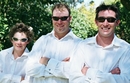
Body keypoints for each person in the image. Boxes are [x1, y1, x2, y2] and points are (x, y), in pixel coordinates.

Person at [69, 3, 130, 83]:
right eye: (101, 19)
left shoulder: (126, 49)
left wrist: (89, 72)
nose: (105, 23)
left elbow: (126, 80)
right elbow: (74, 79)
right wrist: (109, 75)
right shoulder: (82, 46)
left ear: (117, 23)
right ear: (96, 22)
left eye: (110, 20)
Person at [25, 3, 81, 83]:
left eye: (64, 18)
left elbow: (75, 73)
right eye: (56, 18)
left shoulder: (79, 44)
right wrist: (60, 66)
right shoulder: (42, 40)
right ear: (52, 19)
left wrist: (47, 62)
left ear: (70, 19)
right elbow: (29, 69)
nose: (59, 22)